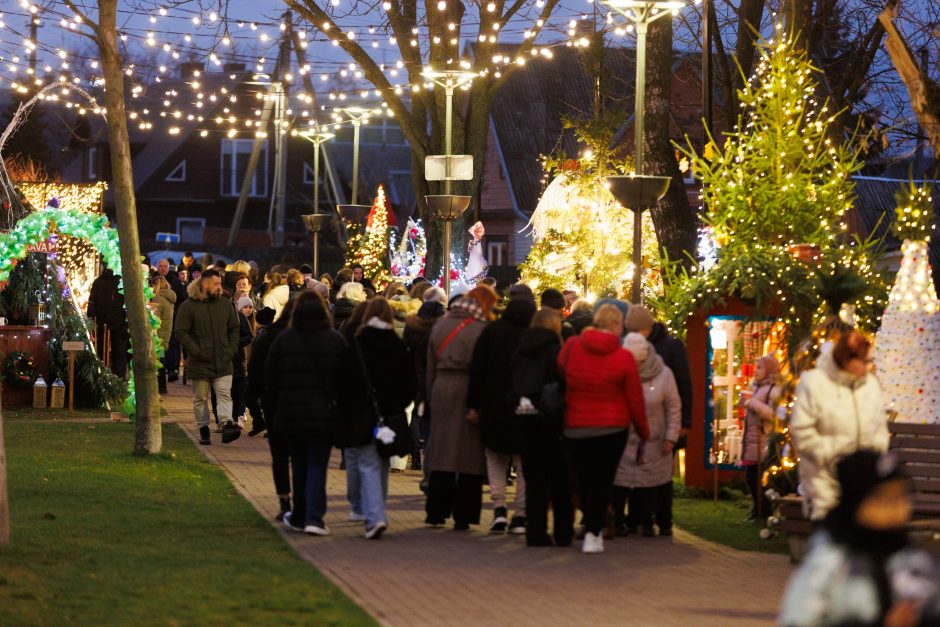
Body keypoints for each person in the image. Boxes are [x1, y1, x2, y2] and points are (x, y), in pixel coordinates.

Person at [778, 450, 940, 627]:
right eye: (883, 500)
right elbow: (798, 619)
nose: (896, 508)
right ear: (855, 503)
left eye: (901, 498)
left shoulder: (915, 559)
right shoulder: (831, 563)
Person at [559, 304, 649, 553]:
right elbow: (634, 397)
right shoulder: (623, 357)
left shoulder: (572, 346)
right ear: (615, 326)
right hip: (612, 427)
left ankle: (590, 523)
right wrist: (643, 430)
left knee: (584, 479)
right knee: (602, 481)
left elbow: (560, 371)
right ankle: (593, 533)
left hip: (575, 425)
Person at [265, 291, 346, 535]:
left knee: (298, 464)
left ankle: (300, 515)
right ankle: (313, 517)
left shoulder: (285, 340)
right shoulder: (335, 340)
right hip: (323, 414)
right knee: (317, 465)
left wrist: (272, 411)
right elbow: (345, 380)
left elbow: (271, 380)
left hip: (291, 414)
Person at [338, 298, 417, 539]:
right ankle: (377, 511)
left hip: (363, 413)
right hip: (390, 414)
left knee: (369, 463)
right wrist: (397, 406)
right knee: (381, 463)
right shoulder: (397, 344)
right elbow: (410, 382)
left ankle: (375, 516)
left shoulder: (358, 342)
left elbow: (345, 381)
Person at [792, 330, 889, 521]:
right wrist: (834, 453)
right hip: (825, 482)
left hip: (863, 485)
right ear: (847, 360)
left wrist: (875, 456)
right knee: (831, 545)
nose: (870, 366)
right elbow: (801, 431)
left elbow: (880, 427)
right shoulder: (814, 383)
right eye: (865, 361)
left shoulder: (871, 385)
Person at [425, 286, 497, 530]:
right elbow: (485, 369)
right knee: (469, 455)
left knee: (441, 450)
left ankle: (436, 511)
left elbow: (430, 363)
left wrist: (431, 393)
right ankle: (464, 515)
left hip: (442, 386)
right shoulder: (481, 329)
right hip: (468, 388)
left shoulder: (441, 324)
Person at [468, 295, 536, 534]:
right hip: (526, 407)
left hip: (494, 405)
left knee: (495, 459)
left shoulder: (492, 331)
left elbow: (477, 369)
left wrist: (473, 404)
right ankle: (520, 514)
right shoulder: (533, 334)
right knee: (524, 463)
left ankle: (498, 509)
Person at [624, 304, 693, 534]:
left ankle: (663, 520)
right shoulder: (630, 346)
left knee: (662, 476)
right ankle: (638, 518)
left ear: (647, 328)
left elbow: (684, 386)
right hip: (638, 423)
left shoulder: (671, 347)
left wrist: (684, 423)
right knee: (636, 471)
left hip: (664, 423)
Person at [511, 309, 573, 547]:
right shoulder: (556, 350)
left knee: (534, 480)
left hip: (526, 420)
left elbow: (512, 382)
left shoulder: (520, 351)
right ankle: (563, 531)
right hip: (553, 420)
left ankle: (535, 532)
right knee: (560, 479)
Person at [612, 333, 681, 537]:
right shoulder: (619, 371)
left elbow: (673, 406)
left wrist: (671, 436)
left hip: (654, 438)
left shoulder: (664, 374)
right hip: (624, 437)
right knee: (621, 481)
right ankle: (618, 521)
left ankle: (646, 521)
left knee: (651, 482)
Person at [174, 270, 241, 446]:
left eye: (220, 283)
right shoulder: (189, 306)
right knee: (200, 398)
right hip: (200, 361)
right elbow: (181, 331)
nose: (220, 287)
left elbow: (234, 328)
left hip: (223, 359)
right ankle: (204, 429)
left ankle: (226, 424)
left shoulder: (225, 304)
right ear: (205, 285)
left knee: (224, 394)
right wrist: (196, 351)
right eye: (216, 284)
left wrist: (231, 349)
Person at [248, 302, 294, 517]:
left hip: (275, 403)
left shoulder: (270, 338)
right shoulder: (327, 339)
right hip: (311, 408)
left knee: (280, 456)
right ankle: (307, 505)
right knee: (306, 458)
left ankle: (285, 500)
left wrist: (253, 395)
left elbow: (256, 371)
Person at [403, 297, 445, 473]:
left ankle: (418, 459)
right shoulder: (441, 332)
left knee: (419, 419)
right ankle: (436, 467)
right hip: (439, 384)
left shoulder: (411, 331)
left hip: (416, 382)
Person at [741, 354, 782, 521]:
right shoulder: (756, 387)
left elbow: (773, 414)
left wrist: (752, 403)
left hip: (763, 440)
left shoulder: (774, 389)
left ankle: (763, 511)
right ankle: (757, 509)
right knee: (752, 477)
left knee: (758, 478)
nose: (756, 371)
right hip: (753, 440)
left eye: (760, 368)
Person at [156, 258, 187, 381]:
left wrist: (175, 311)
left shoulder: (175, 282)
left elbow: (182, 299)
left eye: (165, 266)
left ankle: (173, 368)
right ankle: (163, 369)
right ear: (157, 267)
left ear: (168, 268)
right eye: (161, 266)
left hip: (172, 317)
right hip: (158, 318)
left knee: (173, 343)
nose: (163, 268)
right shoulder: (154, 280)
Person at [149, 275, 177, 395]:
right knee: (161, 359)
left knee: (158, 361)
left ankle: (160, 387)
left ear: (157, 285)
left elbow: (154, 318)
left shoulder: (158, 299)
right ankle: (162, 387)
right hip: (164, 334)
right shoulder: (169, 298)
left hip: (157, 335)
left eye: (153, 285)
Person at [231, 296, 255, 427]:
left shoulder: (253, 323)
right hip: (238, 359)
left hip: (245, 361)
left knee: (242, 388)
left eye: (250, 307)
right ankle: (237, 414)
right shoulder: (237, 318)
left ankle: (241, 412)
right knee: (236, 388)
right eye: (245, 307)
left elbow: (250, 337)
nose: (248, 310)